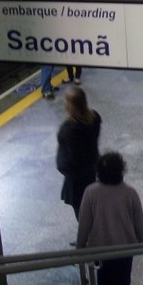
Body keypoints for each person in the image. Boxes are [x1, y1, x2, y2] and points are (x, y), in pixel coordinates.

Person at [76, 152, 143, 285]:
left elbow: (84, 224)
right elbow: (139, 222)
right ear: (121, 170)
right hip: (125, 251)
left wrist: (80, 247)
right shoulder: (130, 193)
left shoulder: (91, 192)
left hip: (101, 250)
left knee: (104, 283)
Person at [57, 86, 102, 220]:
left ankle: (88, 238)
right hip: (91, 170)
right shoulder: (94, 118)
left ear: (70, 105)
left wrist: (63, 168)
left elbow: (66, 161)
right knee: (90, 205)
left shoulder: (68, 130)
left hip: (76, 180)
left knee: (81, 212)